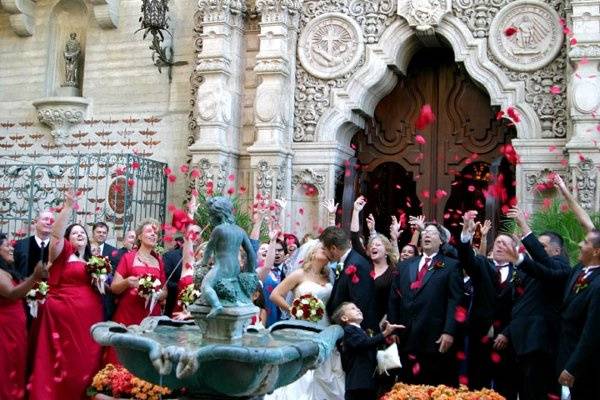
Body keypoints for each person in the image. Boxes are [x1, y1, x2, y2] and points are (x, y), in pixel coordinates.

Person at [506, 210, 600, 398]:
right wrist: (520, 260)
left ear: (596, 251)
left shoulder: (594, 282)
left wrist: (572, 367)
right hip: (561, 353)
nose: (579, 244)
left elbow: (591, 331)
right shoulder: (578, 270)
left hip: (582, 363)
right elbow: (548, 274)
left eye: (586, 242)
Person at [29, 190, 104, 399]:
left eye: (83, 232)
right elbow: (55, 236)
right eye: (75, 232)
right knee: (65, 362)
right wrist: (68, 207)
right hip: (64, 317)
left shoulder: (91, 262)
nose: (81, 234)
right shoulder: (62, 254)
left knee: (85, 361)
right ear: (68, 239)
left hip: (89, 318)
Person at [265, 240, 345, 400]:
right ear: (312, 252)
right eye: (323, 248)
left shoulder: (329, 276)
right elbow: (275, 294)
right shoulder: (299, 274)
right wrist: (293, 309)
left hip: (324, 327)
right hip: (300, 328)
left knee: (325, 372)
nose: (326, 251)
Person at [387, 222, 463, 386]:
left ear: (441, 241)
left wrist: (449, 331)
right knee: (407, 388)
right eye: (424, 232)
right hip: (407, 337)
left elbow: (454, 301)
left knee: (433, 387)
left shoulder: (450, 265)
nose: (426, 235)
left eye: (432, 233)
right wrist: (392, 327)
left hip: (434, 338)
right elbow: (394, 298)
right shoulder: (405, 265)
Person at [505, 207, 569, 400]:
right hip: (523, 341)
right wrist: (519, 257)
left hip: (541, 342)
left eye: (543, 246)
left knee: (539, 392)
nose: (539, 250)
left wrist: (525, 227)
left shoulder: (560, 267)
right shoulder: (539, 269)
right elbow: (535, 268)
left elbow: (541, 265)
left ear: (556, 250)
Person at [458, 210, 518, 397]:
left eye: (504, 243)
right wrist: (466, 235)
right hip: (480, 335)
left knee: (505, 387)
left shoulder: (520, 272)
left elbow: (521, 307)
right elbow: (467, 259)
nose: (499, 246)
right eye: (497, 242)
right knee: (477, 386)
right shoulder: (483, 264)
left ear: (514, 250)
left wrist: (506, 333)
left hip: (508, 339)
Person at [106, 219, 167, 364]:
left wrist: (157, 294)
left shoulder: (158, 260)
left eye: (155, 233)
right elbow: (114, 287)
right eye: (149, 231)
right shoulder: (128, 258)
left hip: (151, 314)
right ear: (139, 236)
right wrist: (127, 282)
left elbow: (165, 291)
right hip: (129, 313)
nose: (153, 235)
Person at [0, 234, 45, 400]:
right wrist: (35, 276)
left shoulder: (7, 270)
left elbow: (23, 286)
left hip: (15, 330)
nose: (12, 248)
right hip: (4, 331)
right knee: (5, 369)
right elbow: (12, 294)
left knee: (16, 365)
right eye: (7, 245)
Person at [332, 302, 404, 400]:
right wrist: (385, 333)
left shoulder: (361, 331)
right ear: (344, 318)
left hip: (368, 382)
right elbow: (364, 343)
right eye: (353, 308)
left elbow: (370, 344)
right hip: (358, 383)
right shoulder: (348, 330)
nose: (358, 309)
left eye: (357, 307)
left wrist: (386, 340)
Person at [321, 226, 378, 333]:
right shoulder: (347, 260)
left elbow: (359, 302)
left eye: (324, 249)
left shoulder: (356, 264)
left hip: (356, 332)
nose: (324, 253)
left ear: (333, 248)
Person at [13, 210, 53, 278]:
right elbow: (15, 270)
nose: (49, 222)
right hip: (25, 287)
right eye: (45, 219)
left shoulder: (56, 247)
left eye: (52, 221)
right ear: (35, 223)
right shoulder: (21, 245)